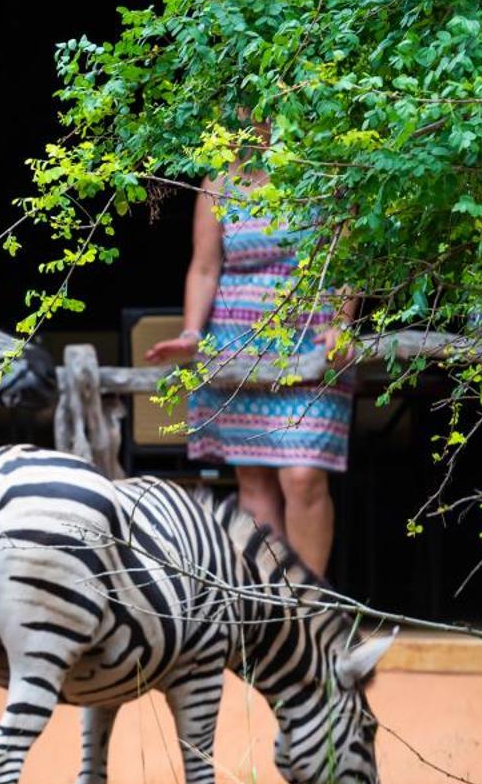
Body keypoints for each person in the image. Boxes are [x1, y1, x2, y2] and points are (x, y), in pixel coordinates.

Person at [145, 167, 355, 576]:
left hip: (310, 341)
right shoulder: (218, 181)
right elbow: (205, 267)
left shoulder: (325, 166)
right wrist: (192, 333)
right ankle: (269, 605)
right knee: (254, 479)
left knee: (302, 474)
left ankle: (307, 608)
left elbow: (347, 259)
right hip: (236, 345)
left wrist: (342, 323)